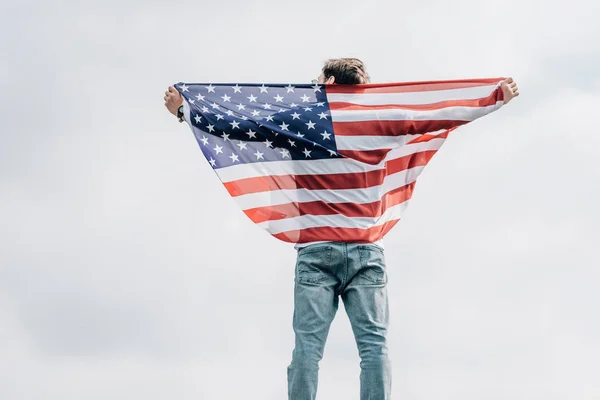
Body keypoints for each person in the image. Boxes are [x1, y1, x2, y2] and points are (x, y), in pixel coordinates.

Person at [164, 58, 520, 400]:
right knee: (374, 346)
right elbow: (441, 116)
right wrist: (493, 99)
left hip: (316, 254)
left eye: (319, 81)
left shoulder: (301, 120)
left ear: (331, 82)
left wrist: (185, 111)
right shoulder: (384, 119)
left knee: (307, 348)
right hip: (366, 252)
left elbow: (236, 128)